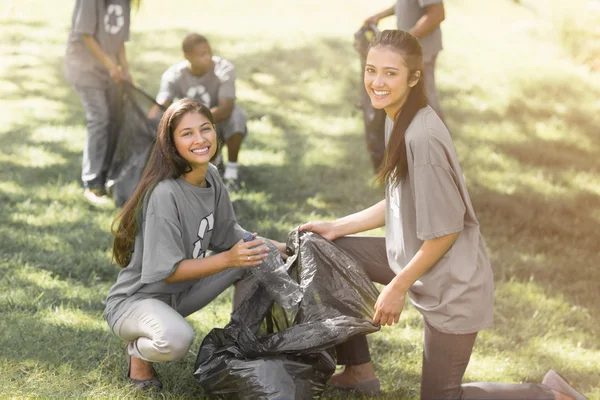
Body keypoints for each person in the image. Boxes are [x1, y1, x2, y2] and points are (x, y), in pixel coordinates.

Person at [300, 30, 587, 400]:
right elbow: (402, 200)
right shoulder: (397, 118)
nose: (376, 82)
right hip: (413, 261)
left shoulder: (423, 138)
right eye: (371, 70)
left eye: (390, 73)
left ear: (414, 77)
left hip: (453, 286)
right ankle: (358, 369)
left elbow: (446, 232)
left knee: (441, 398)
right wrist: (337, 227)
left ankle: (547, 394)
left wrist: (395, 288)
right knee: (325, 250)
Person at [104, 99, 286, 390]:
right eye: (187, 133)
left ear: (216, 131)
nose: (200, 139)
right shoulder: (165, 193)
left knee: (258, 256)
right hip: (137, 302)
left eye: (205, 129)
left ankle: (241, 348)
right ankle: (138, 357)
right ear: (171, 143)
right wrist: (229, 260)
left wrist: (285, 245)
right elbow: (169, 272)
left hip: (182, 294)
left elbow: (230, 234)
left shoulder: (211, 176)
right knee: (176, 340)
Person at [64, 0, 139, 204]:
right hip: (84, 68)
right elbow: (86, 35)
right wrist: (110, 65)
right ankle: (92, 183)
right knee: (100, 118)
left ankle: (107, 176)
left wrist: (125, 69)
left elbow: (120, 40)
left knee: (115, 120)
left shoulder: (125, 2)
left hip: (109, 72)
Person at [148, 33, 248, 184]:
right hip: (190, 130)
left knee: (236, 115)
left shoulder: (223, 69)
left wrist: (195, 122)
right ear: (187, 56)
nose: (207, 57)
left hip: (217, 123)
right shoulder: (174, 74)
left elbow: (226, 108)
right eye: (201, 55)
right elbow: (162, 104)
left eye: (209, 52)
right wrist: (152, 114)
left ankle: (232, 173)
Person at [365, 1, 446, 121]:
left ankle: (439, 138)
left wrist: (403, 40)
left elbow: (437, 14)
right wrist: (380, 15)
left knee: (425, 101)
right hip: (407, 52)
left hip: (422, 52)